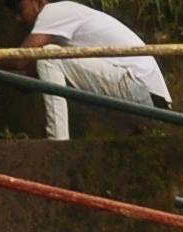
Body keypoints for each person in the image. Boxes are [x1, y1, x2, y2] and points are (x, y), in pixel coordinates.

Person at [17, 0, 169, 142]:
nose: (17, 18)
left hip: (142, 91)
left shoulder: (52, 12)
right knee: (59, 79)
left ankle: (57, 142)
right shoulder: (63, 23)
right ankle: (135, 134)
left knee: (49, 56)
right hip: (155, 104)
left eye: (18, 7)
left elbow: (20, 59)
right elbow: (31, 71)